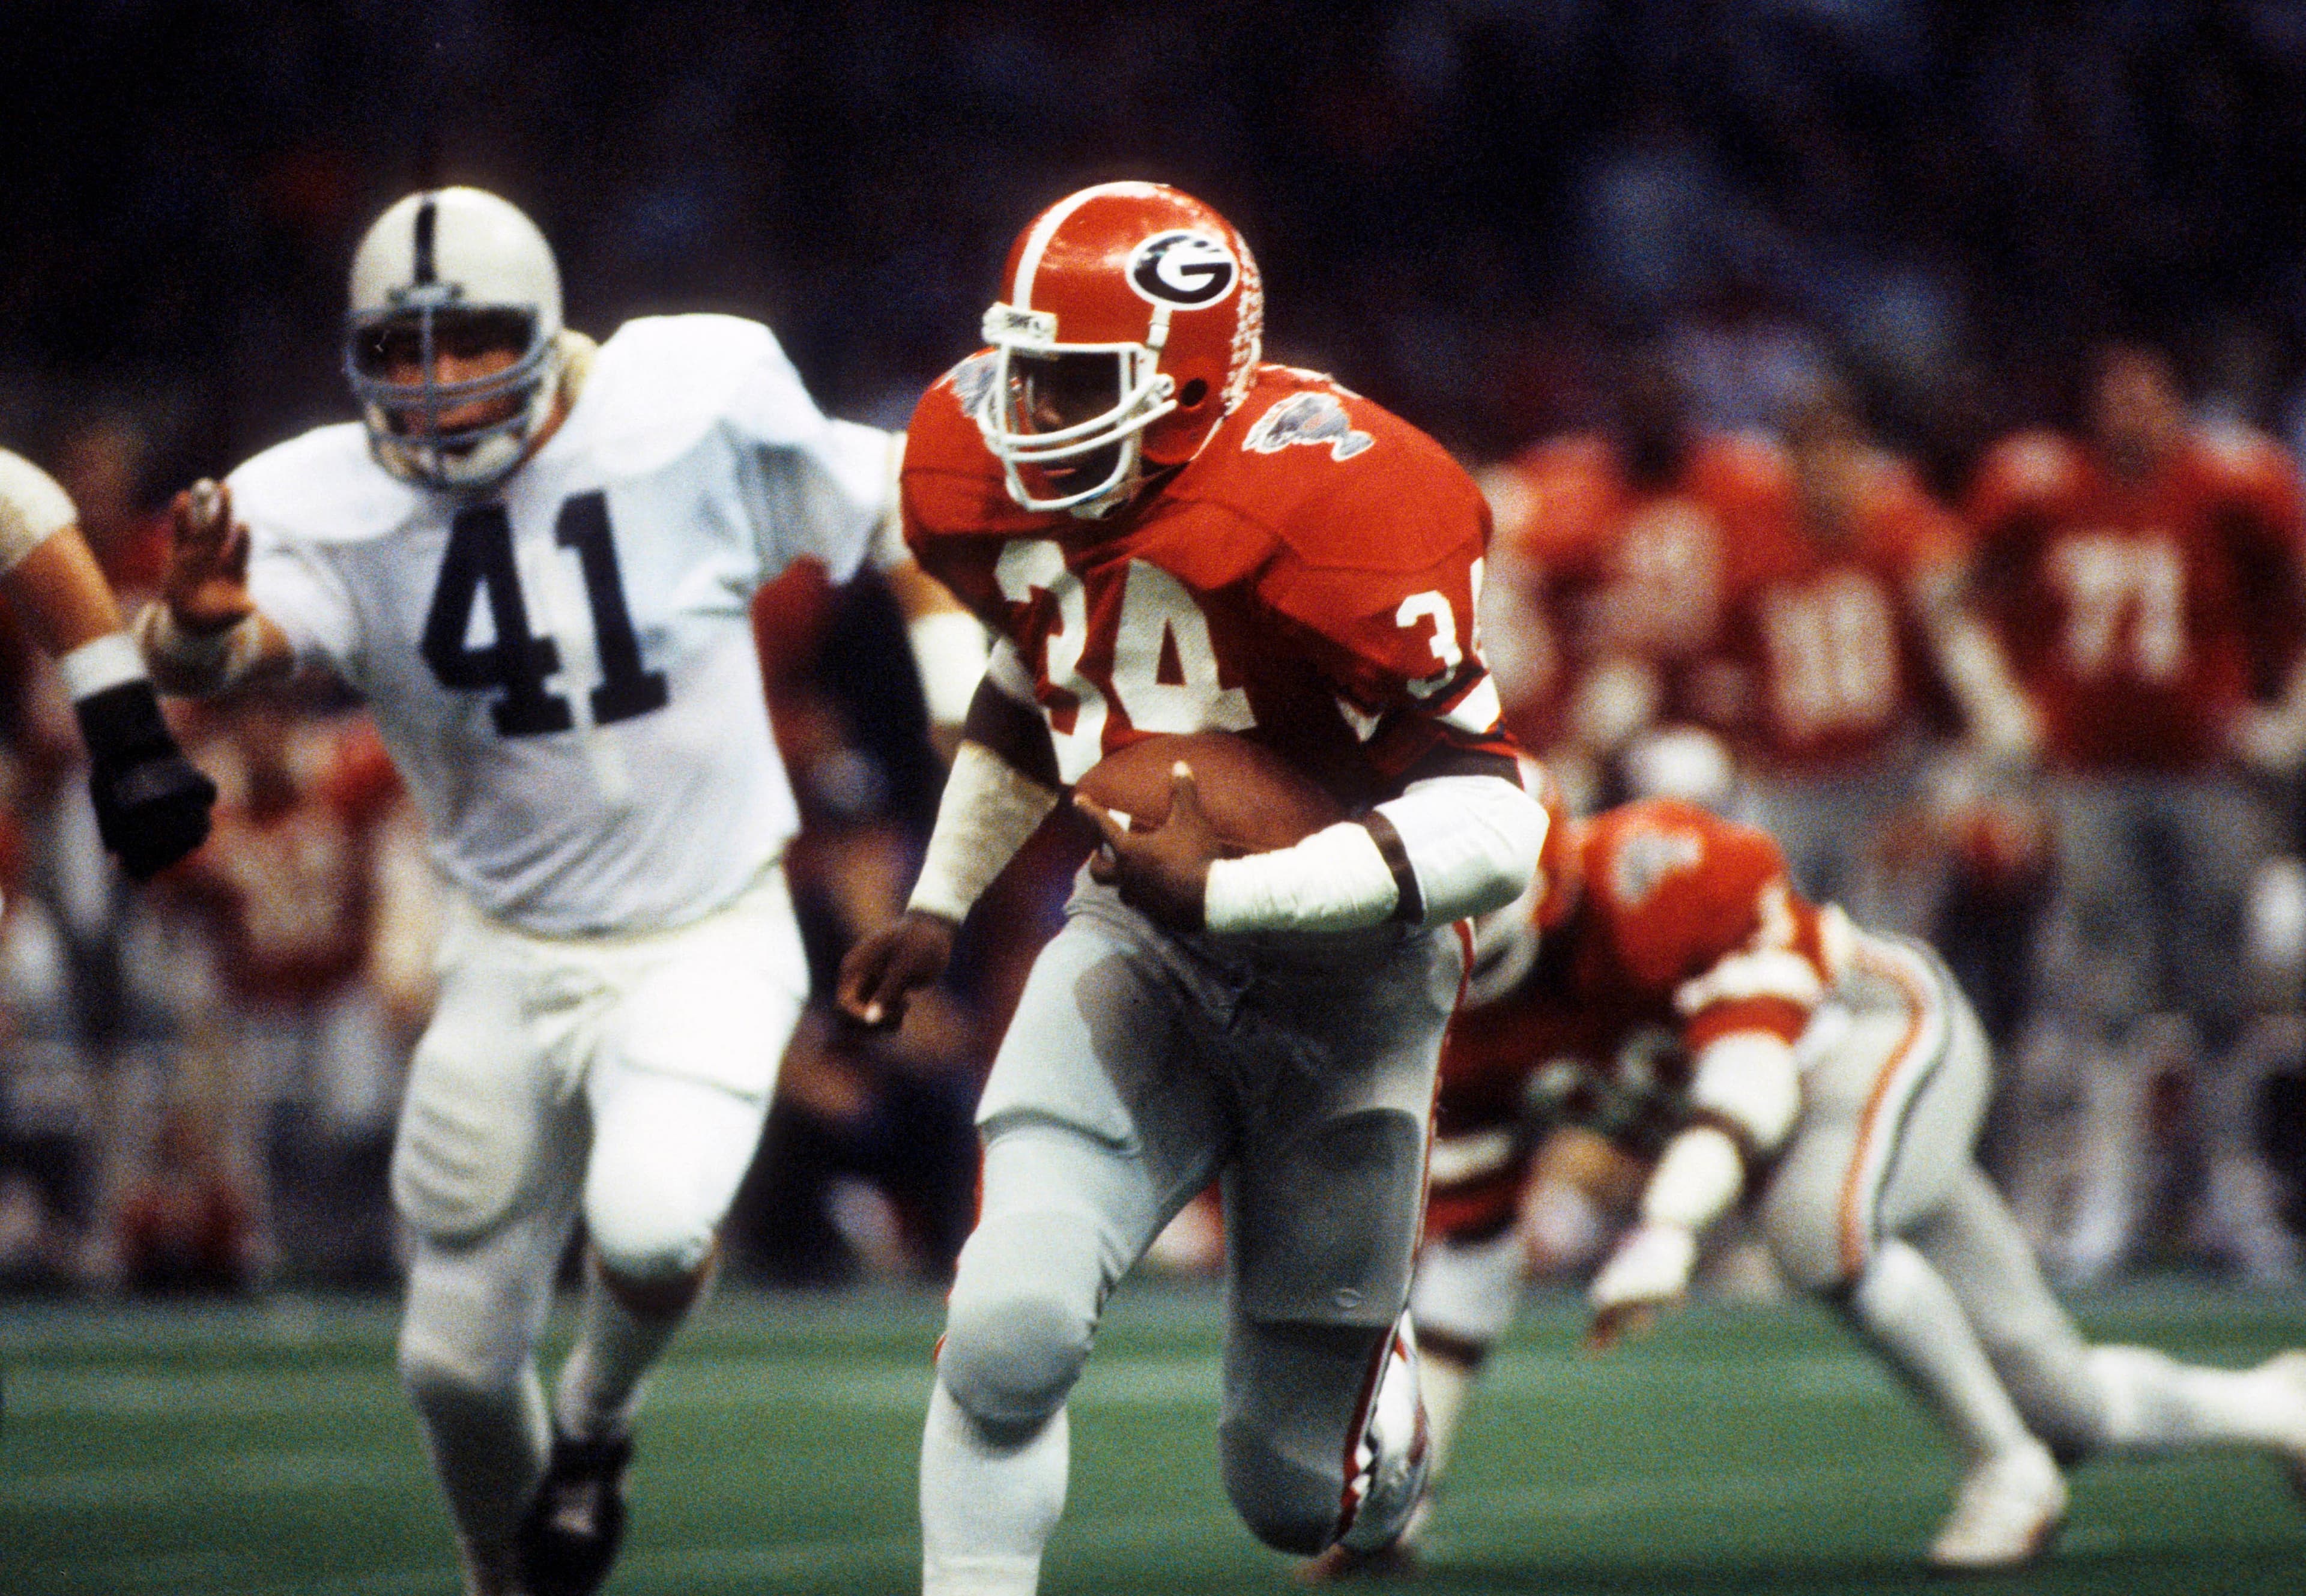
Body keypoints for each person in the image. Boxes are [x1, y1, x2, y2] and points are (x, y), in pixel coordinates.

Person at [133, 185, 933, 1596]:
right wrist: (185, 634)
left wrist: (960, 662)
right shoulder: (319, 494)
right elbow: (221, 654)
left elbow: (898, 507)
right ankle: (503, 1568)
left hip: (704, 924)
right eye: (403, 350)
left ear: (547, 329)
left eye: (472, 342)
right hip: (498, 946)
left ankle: (597, 1426)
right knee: (446, 1363)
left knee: (653, 1220)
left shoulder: (691, 396)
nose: (437, 384)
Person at [835, 181, 1548, 1595]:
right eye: (1019, 369)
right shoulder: (1004, 479)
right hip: (1138, 938)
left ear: (1186, 382)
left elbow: (1495, 813)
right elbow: (1035, 677)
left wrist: (1243, 896)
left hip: (1351, 981)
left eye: (1070, 380)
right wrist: (941, 896)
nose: (1025, 412)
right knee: (1006, 1323)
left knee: (1297, 1498)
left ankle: (1371, 1399)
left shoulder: (1334, 493)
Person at [1393, 791, 2306, 1574]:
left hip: (1876, 1037)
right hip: (1794, 1130)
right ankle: (2274, 1406)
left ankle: (2006, 1470)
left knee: (1813, 1229)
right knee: (2061, 1398)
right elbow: (1471, 1262)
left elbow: (1750, 1073)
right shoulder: (1463, 1030)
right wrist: (1406, 1488)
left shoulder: (1655, 871)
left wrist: (1667, 1227)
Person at [1963, 343, 2306, 1283]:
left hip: (2205, 774)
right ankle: (2111, 1192)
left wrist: (2287, 713)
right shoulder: (2042, 490)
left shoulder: (2235, 485)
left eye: (2148, 396)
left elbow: (2292, 597)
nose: (2130, 415)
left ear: (2178, 403)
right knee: (2106, 993)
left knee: (2220, 992)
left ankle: (2232, 1192)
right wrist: (2006, 703)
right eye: (2114, 397)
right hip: (2090, 777)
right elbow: (1968, 596)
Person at [0, 445, 214, 879]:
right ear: (58, 487)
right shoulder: (28, 565)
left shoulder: (163, 554)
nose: (94, 491)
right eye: (82, 477)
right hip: (65, 773)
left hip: (175, 750)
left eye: (104, 478)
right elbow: (23, 707)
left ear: (127, 485)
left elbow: (212, 662)